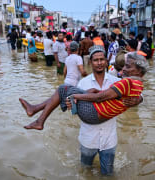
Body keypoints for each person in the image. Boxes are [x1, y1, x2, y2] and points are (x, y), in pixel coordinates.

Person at [20, 47, 144, 175]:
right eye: (96, 60)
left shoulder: (117, 80)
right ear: (90, 62)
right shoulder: (83, 83)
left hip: (109, 139)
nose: (99, 62)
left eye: (102, 59)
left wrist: (138, 100)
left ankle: (36, 111)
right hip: (88, 138)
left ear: (107, 61)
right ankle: (35, 112)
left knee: (108, 173)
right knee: (86, 170)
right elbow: (74, 110)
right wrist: (70, 104)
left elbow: (137, 93)